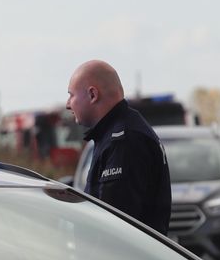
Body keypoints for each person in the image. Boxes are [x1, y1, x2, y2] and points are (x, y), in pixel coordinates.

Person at [66, 60, 171, 233]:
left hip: (124, 259)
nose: (68, 104)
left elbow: (113, 226)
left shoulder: (124, 140)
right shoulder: (117, 134)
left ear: (92, 95)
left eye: (71, 95)